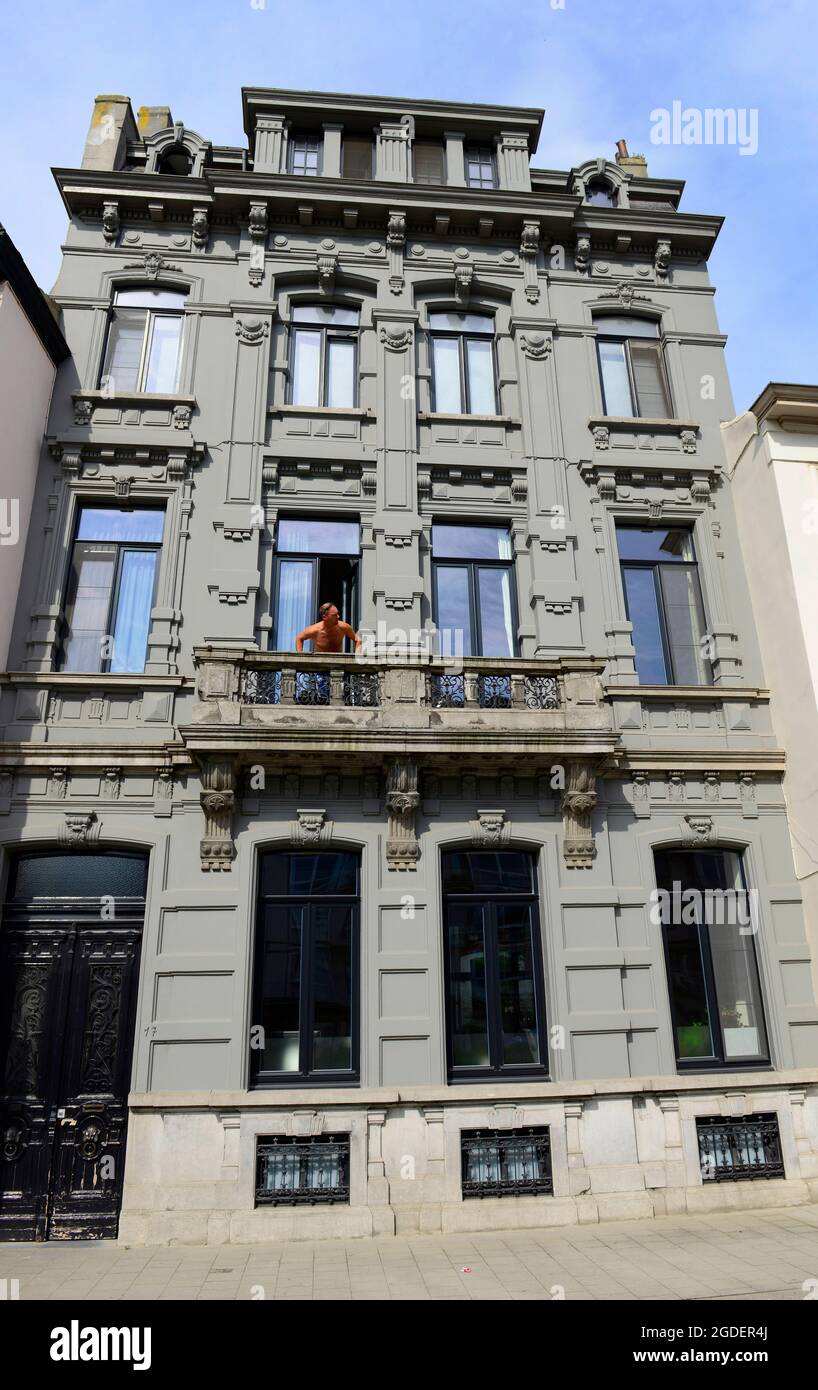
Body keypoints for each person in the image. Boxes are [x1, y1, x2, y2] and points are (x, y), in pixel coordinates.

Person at [295, 603, 362, 654]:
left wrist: (357, 657)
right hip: (321, 667)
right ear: (325, 617)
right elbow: (299, 638)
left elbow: (358, 640)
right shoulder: (314, 630)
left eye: (338, 613)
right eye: (334, 615)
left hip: (339, 665)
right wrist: (300, 658)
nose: (338, 616)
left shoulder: (343, 627)